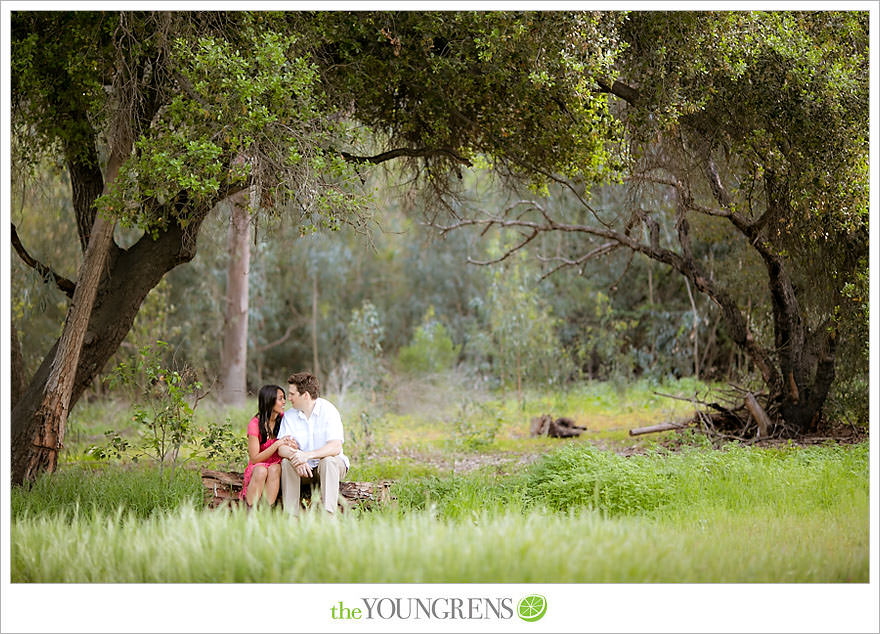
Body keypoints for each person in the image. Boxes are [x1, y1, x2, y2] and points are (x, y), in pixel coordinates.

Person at [276, 372, 349, 515]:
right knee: (286, 463)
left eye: (292, 394)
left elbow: (335, 447)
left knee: (328, 461)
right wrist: (297, 457)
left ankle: (328, 515)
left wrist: (307, 456)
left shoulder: (329, 411)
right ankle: (291, 517)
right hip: (302, 470)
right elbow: (281, 448)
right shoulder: (290, 416)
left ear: (306, 396)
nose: (288, 398)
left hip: (328, 468)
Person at [239, 384, 298, 509]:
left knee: (274, 469)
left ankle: (266, 512)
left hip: (277, 465)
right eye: (280, 398)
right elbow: (254, 458)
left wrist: (291, 443)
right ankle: (249, 510)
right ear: (269, 401)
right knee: (261, 470)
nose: (284, 402)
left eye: (284, 398)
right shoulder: (255, 424)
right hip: (259, 465)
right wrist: (277, 444)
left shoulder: (284, 419)